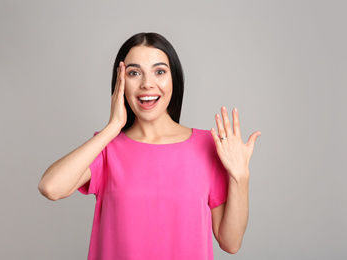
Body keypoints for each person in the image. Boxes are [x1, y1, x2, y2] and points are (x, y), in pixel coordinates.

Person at [38, 32, 261, 260]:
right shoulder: (106, 149)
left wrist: (240, 178)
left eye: (159, 71)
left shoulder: (207, 146)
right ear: (121, 84)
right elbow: (51, 187)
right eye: (134, 73)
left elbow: (231, 242)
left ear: (174, 79)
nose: (147, 84)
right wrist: (112, 127)